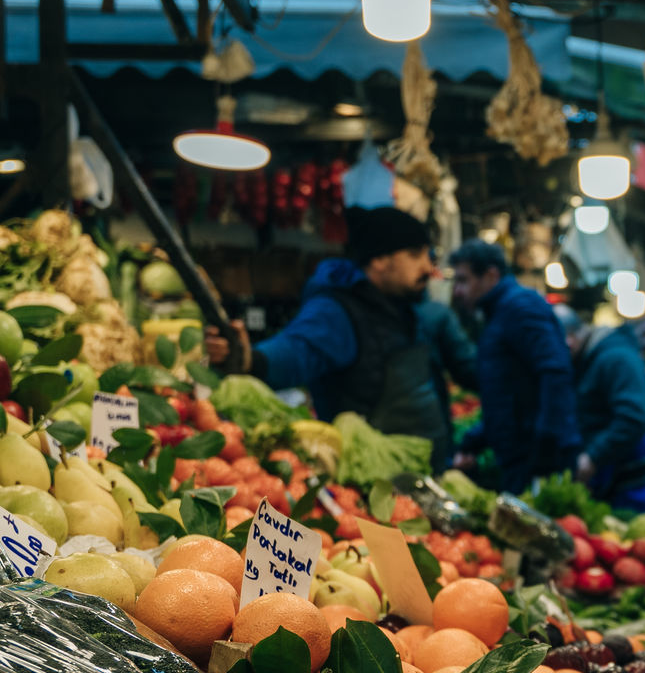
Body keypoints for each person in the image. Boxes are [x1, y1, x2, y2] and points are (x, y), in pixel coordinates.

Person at [202, 207, 458, 465]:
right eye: (415, 255)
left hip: (420, 468)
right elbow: (297, 349)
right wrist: (250, 358)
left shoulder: (405, 306)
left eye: (429, 254)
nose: (428, 266)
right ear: (379, 260)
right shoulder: (337, 311)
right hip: (369, 474)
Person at [448, 240, 579, 494]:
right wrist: (476, 440)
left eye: (463, 280)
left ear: (490, 275)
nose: (457, 291)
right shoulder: (499, 313)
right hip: (521, 454)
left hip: (538, 459)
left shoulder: (520, 307)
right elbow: (510, 393)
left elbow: (555, 371)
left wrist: (546, 445)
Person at [563, 306, 645, 515]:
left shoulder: (615, 358)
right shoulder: (591, 356)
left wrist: (593, 457)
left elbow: (633, 417)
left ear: (570, 340)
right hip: (620, 469)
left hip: (640, 475)